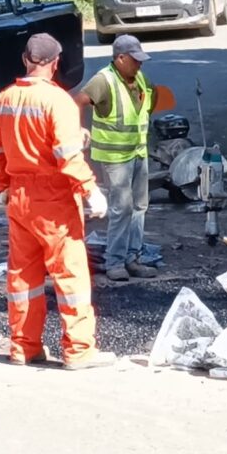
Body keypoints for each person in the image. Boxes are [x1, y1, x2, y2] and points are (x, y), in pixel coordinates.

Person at [0, 33, 113, 370]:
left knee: (23, 277)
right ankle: (78, 350)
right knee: (70, 276)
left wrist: (2, 186)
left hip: (19, 197)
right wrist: (91, 190)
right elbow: (67, 157)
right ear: (55, 64)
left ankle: (24, 347)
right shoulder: (58, 102)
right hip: (53, 199)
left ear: (25, 60)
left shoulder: (5, 99)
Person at [74, 34, 157, 282]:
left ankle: (133, 258)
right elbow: (78, 101)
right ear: (120, 59)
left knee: (139, 207)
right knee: (122, 209)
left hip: (138, 152)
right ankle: (115, 263)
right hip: (115, 157)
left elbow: (149, 100)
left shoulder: (139, 78)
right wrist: (79, 129)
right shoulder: (104, 80)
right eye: (135, 60)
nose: (139, 64)